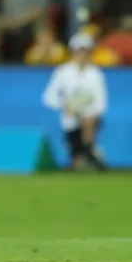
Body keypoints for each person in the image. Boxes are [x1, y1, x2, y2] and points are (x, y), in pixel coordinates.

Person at [42, 32, 108, 171]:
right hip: (69, 121)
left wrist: (89, 115)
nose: (82, 55)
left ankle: (89, 151)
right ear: (72, 51)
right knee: (76, 158)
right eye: (79, 50)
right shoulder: (62, 72)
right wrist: (65, 107)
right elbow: (49, 97)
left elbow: (101, 102)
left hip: (89, 120)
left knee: (87, 131)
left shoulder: (96, 74)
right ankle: (88, 153)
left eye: (86, 51)